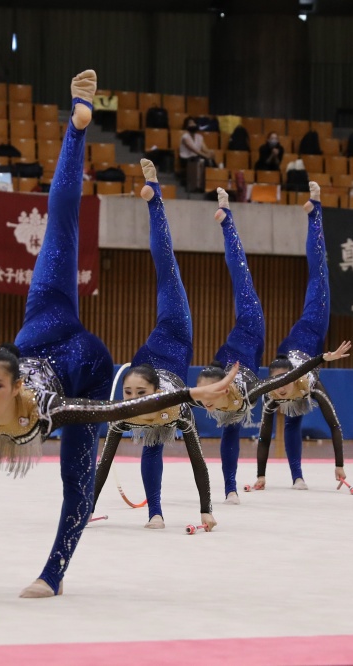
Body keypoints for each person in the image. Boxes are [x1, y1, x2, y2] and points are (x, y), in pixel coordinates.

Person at [0, 72, 238, 600]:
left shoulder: (48, 406)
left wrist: (191, 394)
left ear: (14, 387)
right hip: (39, 333)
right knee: (60, 230)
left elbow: (113, 413)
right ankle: (83, 127)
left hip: (83, 361)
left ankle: (53, 574)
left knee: (61, 228)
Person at [195, 187, 352, 504]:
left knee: (245, 281)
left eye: (209, 403)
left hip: (249, 339)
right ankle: (314, 211)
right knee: (318, 279)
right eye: (209, 405)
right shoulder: (256, 396)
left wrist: (324, 357)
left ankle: (230, 221)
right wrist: (324, 357)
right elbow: (268, 424)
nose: (210, 409)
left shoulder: (255, 390)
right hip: (294, 347)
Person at [93, 160, 213, 531]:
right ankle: (155, 514)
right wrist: (83, 508)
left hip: (173, 332)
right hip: (153, 360)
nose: (130, 398)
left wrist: (206, 510)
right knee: (151, 440)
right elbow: (105, 462)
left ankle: (154, 199)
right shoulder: (127, 408)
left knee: (168, 268)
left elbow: (197, 460)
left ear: (156, 391)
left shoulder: (176, 407)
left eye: (135, 393)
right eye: (128, 393)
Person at [251, 182, 345, 491]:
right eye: (277, 388)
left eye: (280, 387)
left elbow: (333, 423)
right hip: (292, 353)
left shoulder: (310, 384)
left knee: (320, 275)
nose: (277, 393)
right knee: (291, 416)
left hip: (309, 334)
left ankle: (315, 212)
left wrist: (339, 466)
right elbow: (265, 434)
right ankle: (297, 476)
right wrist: (261, 475)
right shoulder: (278, 391)